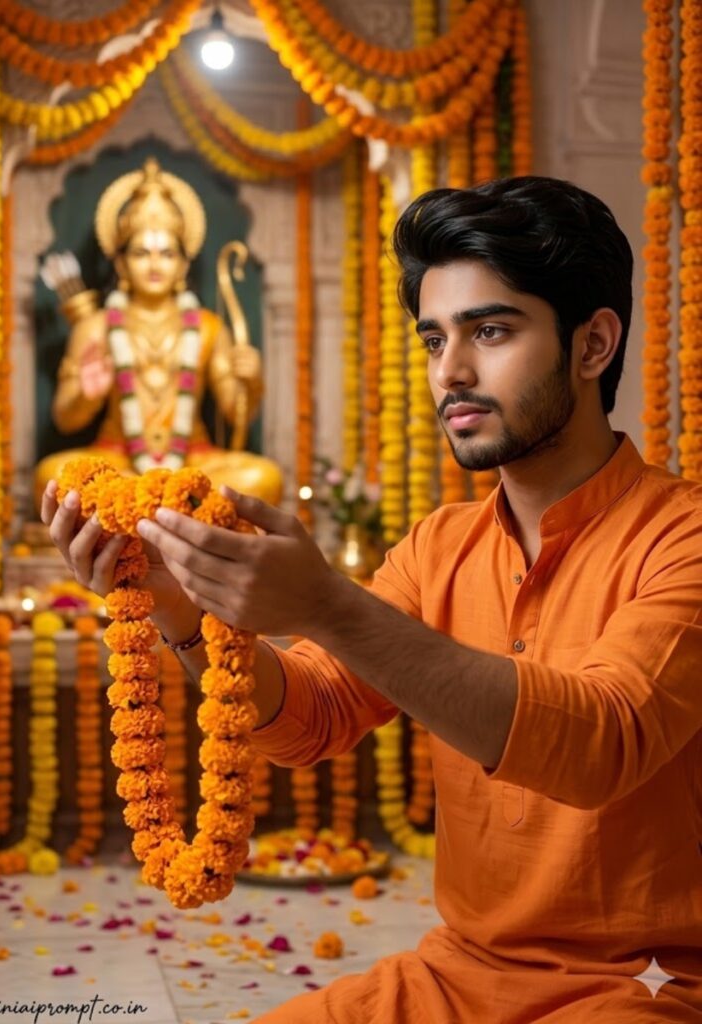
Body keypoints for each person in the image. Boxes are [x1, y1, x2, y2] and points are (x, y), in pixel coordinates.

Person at [43, 176, 702, 1022]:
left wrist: (327, 605)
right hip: (460, 978)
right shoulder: (441, 546)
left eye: (490, 331)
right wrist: (185, 607)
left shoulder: (681, 538)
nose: (451, 372)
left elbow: (601, 742)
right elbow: (311, 719)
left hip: (645, 989)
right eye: (433, 341)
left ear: (594, 344)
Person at [34, 157, 282, 509]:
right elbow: (64, 417)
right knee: (52, 476)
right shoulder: (97, 327)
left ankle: (153, 509)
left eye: (166, 254)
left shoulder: (208, 326)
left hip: (193, 462)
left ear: (183, 264)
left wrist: (252, 381)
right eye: (140, 253)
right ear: (120, 264)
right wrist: (87, 395)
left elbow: (235, 411)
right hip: (117, 460)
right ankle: (161, 509)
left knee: (262, 478)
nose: (153, 264)